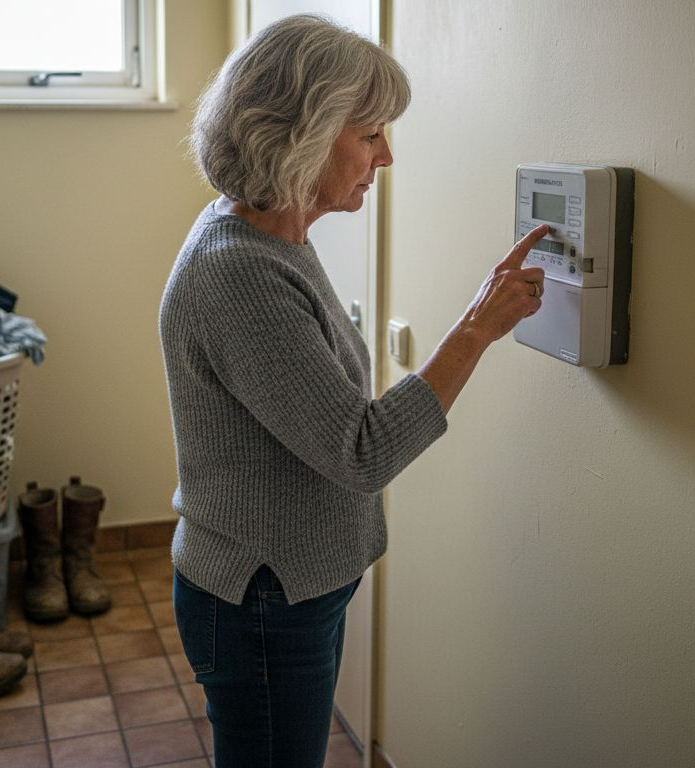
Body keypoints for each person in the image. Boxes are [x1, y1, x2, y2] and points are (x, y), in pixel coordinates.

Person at [159, 14, 550, 767]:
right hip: (260, 599)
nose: (388, 157)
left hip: (284, 585)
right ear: (301, 134)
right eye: (370, 135)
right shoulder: (239, 271)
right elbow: (361, 449)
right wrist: (476, 328)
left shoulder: (279, 240)